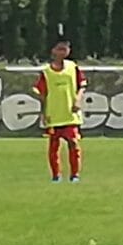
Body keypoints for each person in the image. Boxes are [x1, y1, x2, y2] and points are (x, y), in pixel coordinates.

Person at [35, 38, 86, 181]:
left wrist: (78, 100)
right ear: (53, 51)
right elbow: (42, 94)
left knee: (73, 143)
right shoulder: (46, 72)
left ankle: (75, 175)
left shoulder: (73, 67)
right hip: (54, 115)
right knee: (54, 147)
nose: (63, 52)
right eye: (60, 49)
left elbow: (82, 85)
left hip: (70, 114)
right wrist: (44, 113)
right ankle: (56, 175)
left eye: (65, 49)